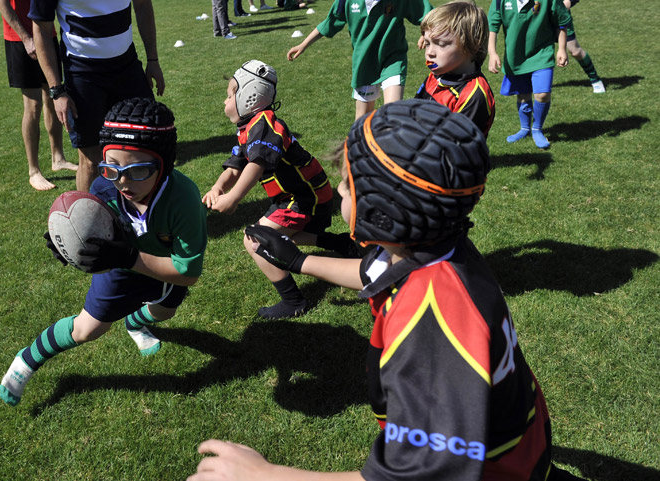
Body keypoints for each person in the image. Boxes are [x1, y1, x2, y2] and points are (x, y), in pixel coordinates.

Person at [189, 99, 584, 481]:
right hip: (521, 454)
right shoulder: (441, 246)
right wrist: (298, 262)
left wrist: (264, 475)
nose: (340, 192)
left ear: (379, 209)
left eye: (346, 185)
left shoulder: (432, 322)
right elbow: (374, 271)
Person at [0, 98, 207, 407]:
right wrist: (72, 247)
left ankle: (135, 322)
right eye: (111, 168)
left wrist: (131, 257)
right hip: (120, 270)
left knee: (165, 311)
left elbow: (188, 273)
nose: (122, 181)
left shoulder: (183, 199)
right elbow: (98, 241)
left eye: (137, 170)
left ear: (163, 165)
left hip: (164, 267)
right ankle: (27, 359)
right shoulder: (103, 189)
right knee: (87, 330)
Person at [202, 60, 358, 320]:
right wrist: (218, 186)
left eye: (229, 95)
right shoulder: (250, 127)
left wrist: (232, 199)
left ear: (248, 97)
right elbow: (235, 167)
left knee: (255, 240)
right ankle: (341, 243)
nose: (225, 102)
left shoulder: (265, 125)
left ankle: (293, 300)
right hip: (296, 197)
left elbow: (256, 164)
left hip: (305, 197)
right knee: (284, 236)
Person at [28, 0, 165, 192]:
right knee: (92, 160)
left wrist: (153, 60)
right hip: (82, 74)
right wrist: (56, 90)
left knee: (146, 144)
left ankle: (147, 216)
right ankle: (88, 220)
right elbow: (41, 29)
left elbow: (142, 5)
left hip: (128, 67)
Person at [287, 0, 433, 120]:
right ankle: (360, 152)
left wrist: (424, 32)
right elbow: (329, 22)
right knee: (362, 120)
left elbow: (427, 14)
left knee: (393, 114)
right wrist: (303, 44)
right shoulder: (345, 2)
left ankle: (389, 152)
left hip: (392, 60)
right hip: (364, 63)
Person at [0, 0, 78, 191]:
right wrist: (25, 38)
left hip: (47, 36)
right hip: (20, 40)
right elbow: (0, 2)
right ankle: (34, 171)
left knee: (52, 96)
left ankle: (58, 158)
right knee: (33, 105)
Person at [487, 0, 570, 149]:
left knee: (542, 94)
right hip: (515, 58)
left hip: (542, 54)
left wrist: (562, 49)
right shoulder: (500, 1)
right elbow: (492, 28)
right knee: (523, 95)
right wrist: (492, 53)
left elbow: (562, 22)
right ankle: (525, 128)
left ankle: (537, 128)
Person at [415, 1, 495, 138]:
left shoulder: (474, 95)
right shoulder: (435, 76)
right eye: (427, 43)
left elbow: (455, 145)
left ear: (472, 45)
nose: (429, 53)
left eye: (441, 44)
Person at [563, 0, 605, 93]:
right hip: (538, 17)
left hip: (560, 17)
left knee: (575, 51)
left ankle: (595, 79)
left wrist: (569, 1)